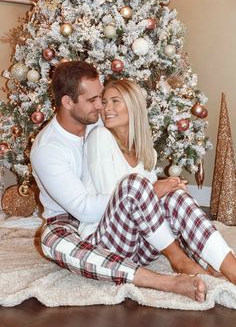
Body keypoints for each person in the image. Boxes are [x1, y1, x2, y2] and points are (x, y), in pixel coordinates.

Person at [31, 60, 212, 303]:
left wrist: (154, 191)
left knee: (172, 197)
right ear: (67, 102)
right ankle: (162, 281)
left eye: (102, 97)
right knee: (51, 241)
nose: (102, 106)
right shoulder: (48, 149)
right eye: (93, 100)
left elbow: (132, 166)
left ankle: (206, 259)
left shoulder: (99, 120)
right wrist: (148, 192)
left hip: (121, 220)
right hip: (70, 223)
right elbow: (84, 210)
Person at [84, 78, 236, 284]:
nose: (106, 108)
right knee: (134, 184)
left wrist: (171, 190)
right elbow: (115, 202)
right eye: (105, 101)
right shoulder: (99, 137)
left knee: (175, 196)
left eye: (115, 101)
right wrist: (157, 189)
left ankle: (230, 268)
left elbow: (150, 209)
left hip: (140, 250)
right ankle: (179, 259)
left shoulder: (148, 153)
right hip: (106, 245)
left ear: (133, 107)